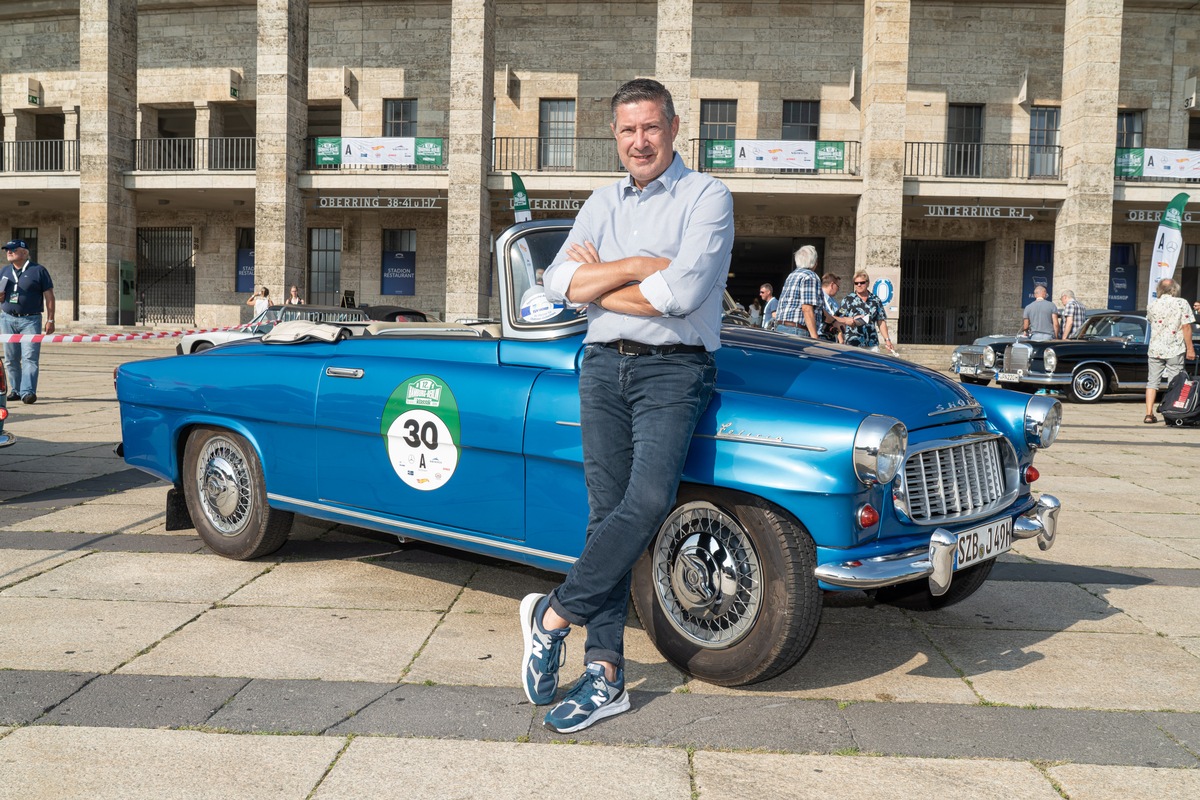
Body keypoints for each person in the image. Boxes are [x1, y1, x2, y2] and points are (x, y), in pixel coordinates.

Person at [525, 78, 733, 734]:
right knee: (604, 517)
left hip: (673, 372)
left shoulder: (708, 196)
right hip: (602, 370)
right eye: (626, 131)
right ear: (615, 137)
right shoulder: (601, 201)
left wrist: (600, 278)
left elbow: (677, 296)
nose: (639, 141)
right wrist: (637, 264)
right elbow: (555, 283)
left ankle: (552, 615)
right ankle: (605, 673)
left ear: (674, 128)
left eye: (650, 127)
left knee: (645, 505)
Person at [0, 239, 55, 404]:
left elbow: (49, 296)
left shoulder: (38, 271)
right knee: (10, 358)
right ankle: (16, 390)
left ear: (24, 253)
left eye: (13, 249)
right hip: (7, 318)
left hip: (30, 319)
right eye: (7, 250)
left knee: (30, 356)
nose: (9, 252)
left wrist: (51, 319)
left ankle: (28, 392)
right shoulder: (4, 271)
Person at [1144, 278, 1196, 424]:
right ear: (1174, 289)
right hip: (1174, 348)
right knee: (1175, 381)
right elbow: (1186, 327)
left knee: (1152, 382)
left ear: (1159, 290)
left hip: (1155, 349)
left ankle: (1149, 414)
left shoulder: (1152, 305)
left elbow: (1151, 322)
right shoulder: (1181, 303)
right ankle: (1172, 413)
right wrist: (1190, 348)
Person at [838, 270, 895, 353]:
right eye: (856, 283)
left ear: (868, 283)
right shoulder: (848, 300)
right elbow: (839, 318)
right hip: (853, 343)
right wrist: (841, 338)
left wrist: (887, 340)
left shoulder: (876, 300)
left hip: (871, 343)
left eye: (862, 282)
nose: (859, 285)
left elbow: (881, 321)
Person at [774, 246, 821, 338]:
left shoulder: (792, 275)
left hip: (781, 327)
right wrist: (815, 337)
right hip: (796, 330)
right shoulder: (810, 276)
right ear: (815, 262)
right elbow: (807, 308)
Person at [818, 272, 850, 343]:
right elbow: (825, 316)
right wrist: (845, 320)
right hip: (820, 336)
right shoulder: (819, 297)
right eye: (838, 287)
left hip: (832, 336)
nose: (838, 290)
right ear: (832, 285)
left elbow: (839, 315)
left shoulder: (834, 301)